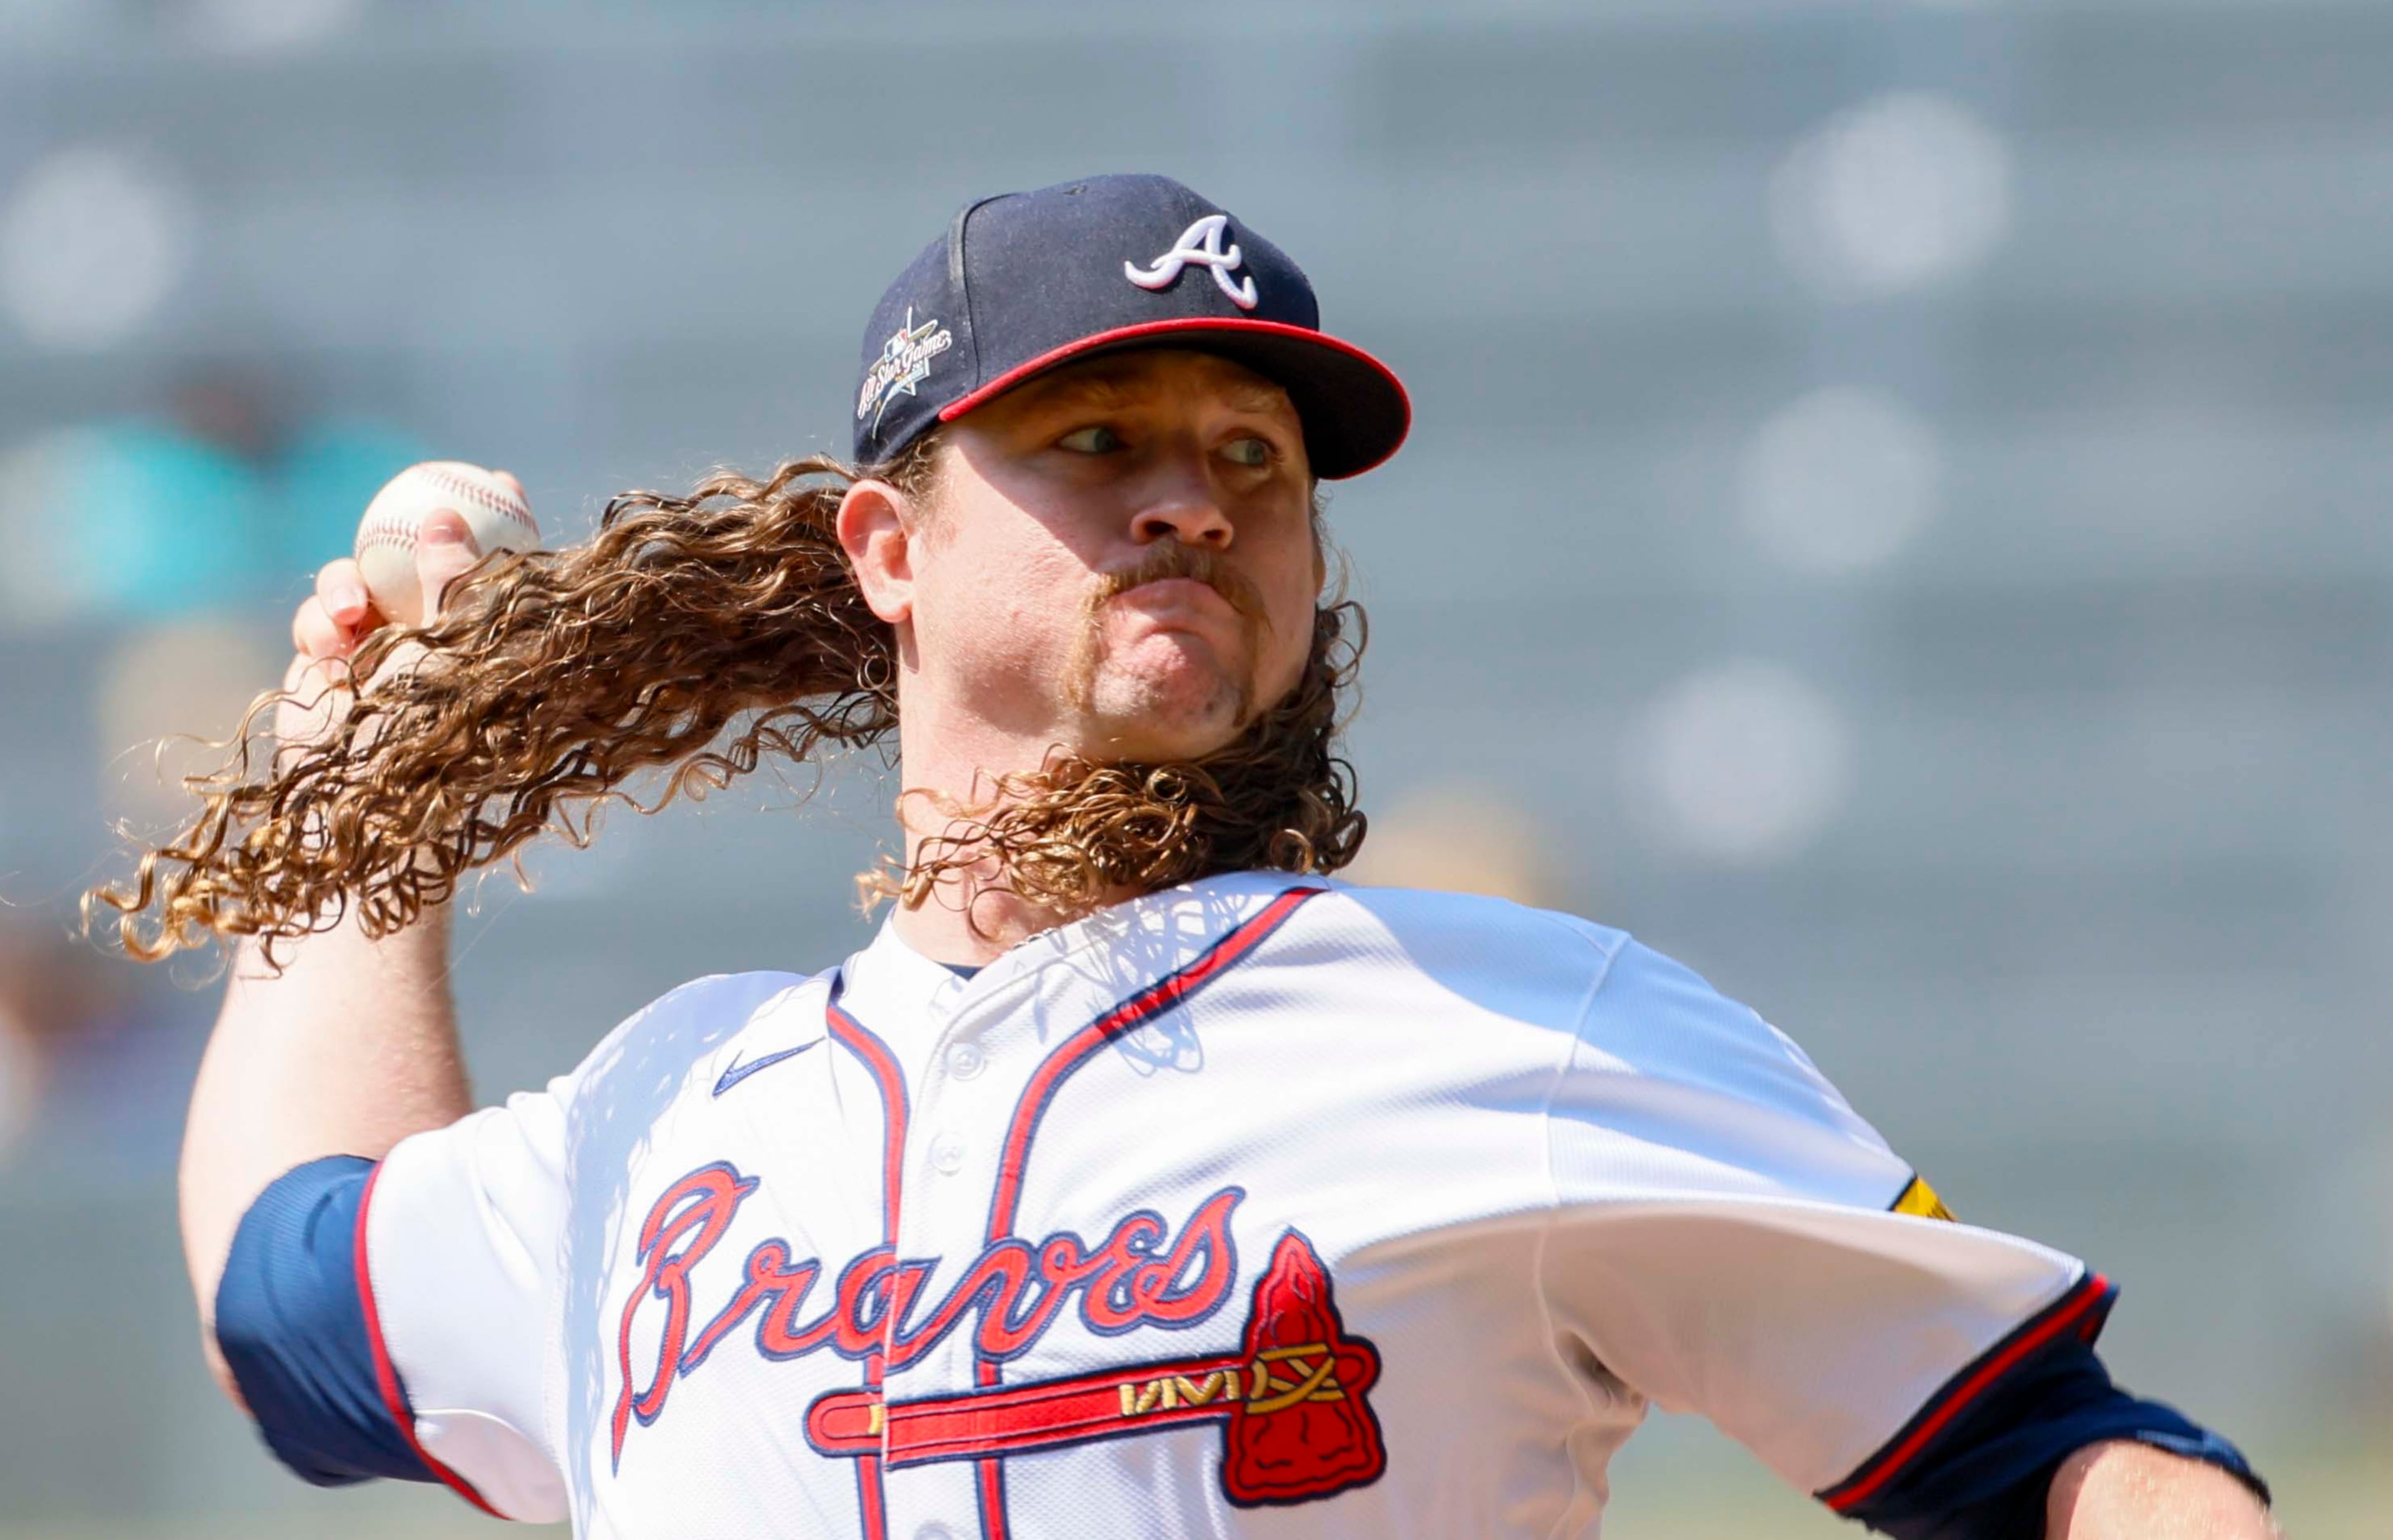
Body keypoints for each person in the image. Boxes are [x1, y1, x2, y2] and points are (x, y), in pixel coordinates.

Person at [97, 175, 2273, 1538]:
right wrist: (368, 779)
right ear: (888, 551)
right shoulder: (668, 1123)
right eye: (1096, 438)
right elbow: (284, 1294)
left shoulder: (1511, 1025)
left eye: (1255, 456)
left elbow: (2052, 1456)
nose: (1197, 497)